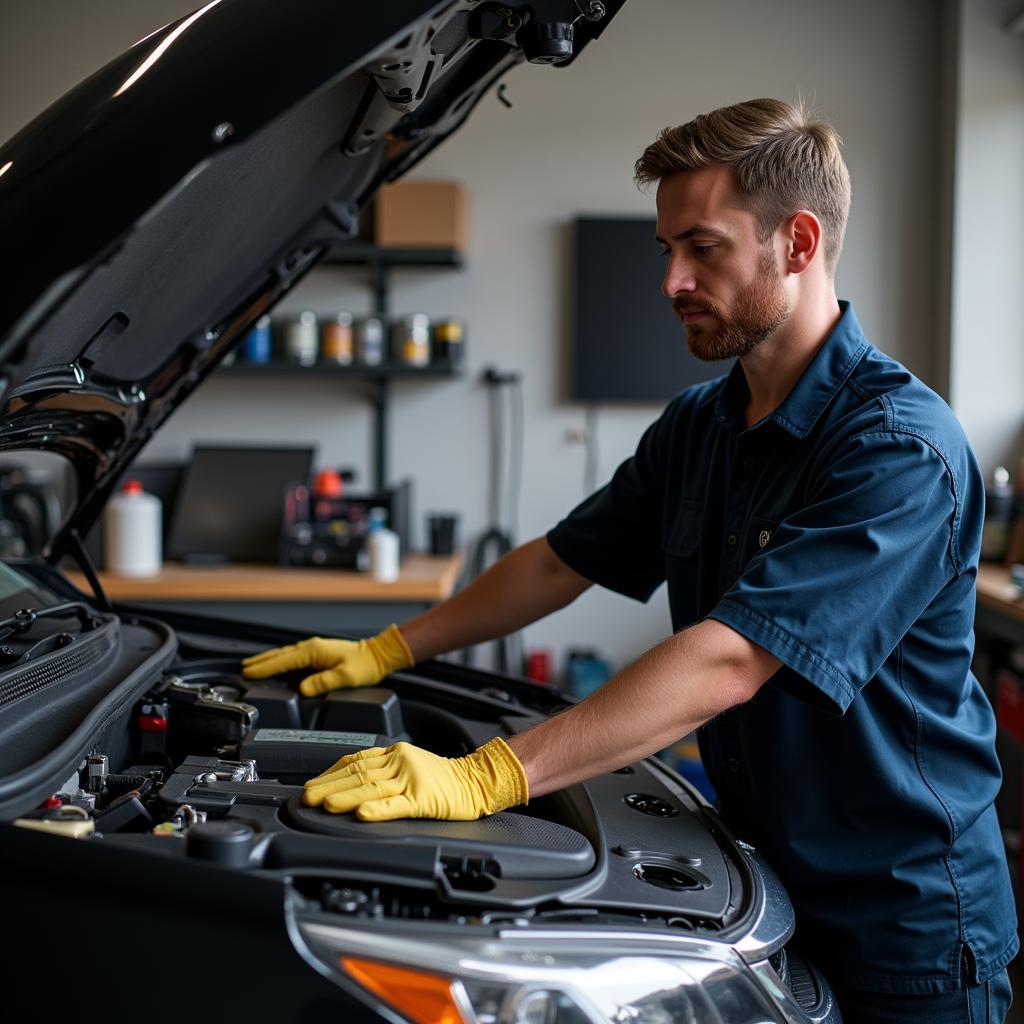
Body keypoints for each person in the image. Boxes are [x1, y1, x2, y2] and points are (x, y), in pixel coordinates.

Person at [242, 98, 1017, 1021]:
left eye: (703, 248)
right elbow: (559, 564)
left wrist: (489, 772)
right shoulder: (701, 425)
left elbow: (732, 658)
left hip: (904, 923)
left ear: (798, 243)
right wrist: (390, 650)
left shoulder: (897, 448)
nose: (671, 280)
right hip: (761, 878)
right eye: (666, 251)